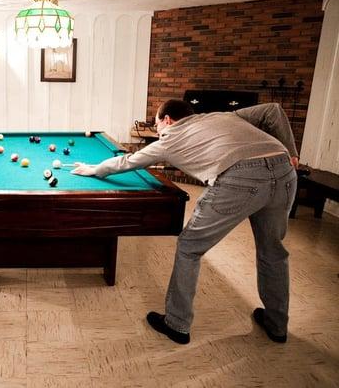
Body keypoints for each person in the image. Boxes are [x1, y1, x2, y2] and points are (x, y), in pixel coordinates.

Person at [72, 100, 299, 344]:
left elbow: (128, 162)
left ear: (167, 120)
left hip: (240, 178)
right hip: (284, 170)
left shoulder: (170, 138)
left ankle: (177, 324)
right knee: (272, 252)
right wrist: (292, 153)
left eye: (156, 123)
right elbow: (272, 110)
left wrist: (95, 169)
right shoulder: (222, 115)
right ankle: (277, 326)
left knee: (189, 248)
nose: (158, 130)